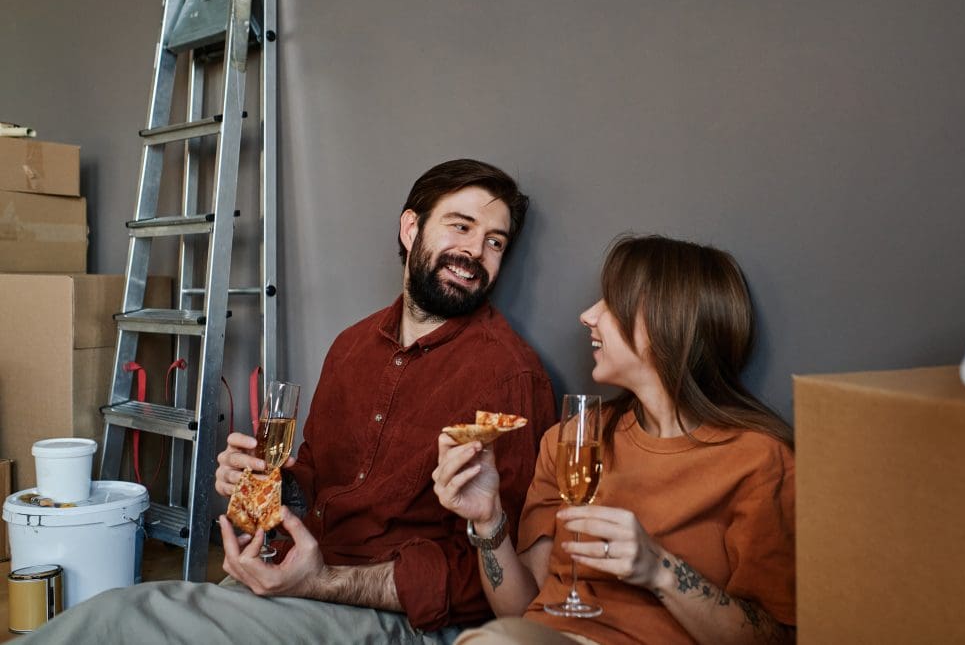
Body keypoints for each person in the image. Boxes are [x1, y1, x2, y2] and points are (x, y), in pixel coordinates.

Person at [24, 159, 557, 644]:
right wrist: (259, 487)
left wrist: (325, 582)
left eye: (495, 242)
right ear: (411, 228)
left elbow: (491, 578)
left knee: (121, 620)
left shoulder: (509, 376)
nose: (474, 252)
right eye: (460, 226)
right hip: (300, 581)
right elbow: (317, 488)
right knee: (114, 622)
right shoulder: (353, 345)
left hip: (397, 620)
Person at [433, 235, 795, 644]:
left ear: (668, 323)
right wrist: (487, 518)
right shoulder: (572, 440)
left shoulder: (759, 460)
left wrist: (660, 568)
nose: (588, 315)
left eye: (612, 303)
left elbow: (773, 638)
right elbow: (522, 610)